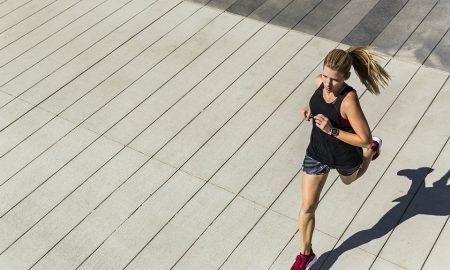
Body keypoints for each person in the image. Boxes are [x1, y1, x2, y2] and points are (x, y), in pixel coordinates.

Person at [290, 47, 390, 270]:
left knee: (349, 180)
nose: (327, 83)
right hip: (317, 152)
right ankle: (305, 255)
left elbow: (363, 138)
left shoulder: (348, 100)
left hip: (345, 154)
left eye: (334, 80)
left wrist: (332, 131)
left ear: (346, 77)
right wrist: (310, 107)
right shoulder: (320, 82)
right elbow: (319, 99)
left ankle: (373, 152)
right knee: (307, 207)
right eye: (325, 75)